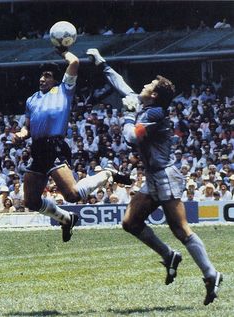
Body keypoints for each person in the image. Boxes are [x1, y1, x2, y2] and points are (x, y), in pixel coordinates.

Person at [86, 48, 223, 305]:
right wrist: (101, 63)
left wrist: (126, 115)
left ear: (155, 94)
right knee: (130, 223)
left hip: (165, 177)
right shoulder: (145, 104)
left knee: (181, 230)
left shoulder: (155, 113)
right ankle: (170, 256)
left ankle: (211, 274)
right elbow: (122, 85)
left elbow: (130, 138)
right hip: (154, 177)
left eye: (149, 85)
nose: (144, 86)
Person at [12, 46, 125, 243]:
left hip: (55, 145)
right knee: (31, 201)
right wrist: (20, 135)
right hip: (37, 148)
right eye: (41, 76)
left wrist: (62, 50)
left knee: (72, 195)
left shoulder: (64, 89)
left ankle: (107, 173)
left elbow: (74, 62)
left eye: (47, 76)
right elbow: (26, 128)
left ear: (55, 79)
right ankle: (66, 219)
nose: (42, 79)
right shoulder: (32, 100)